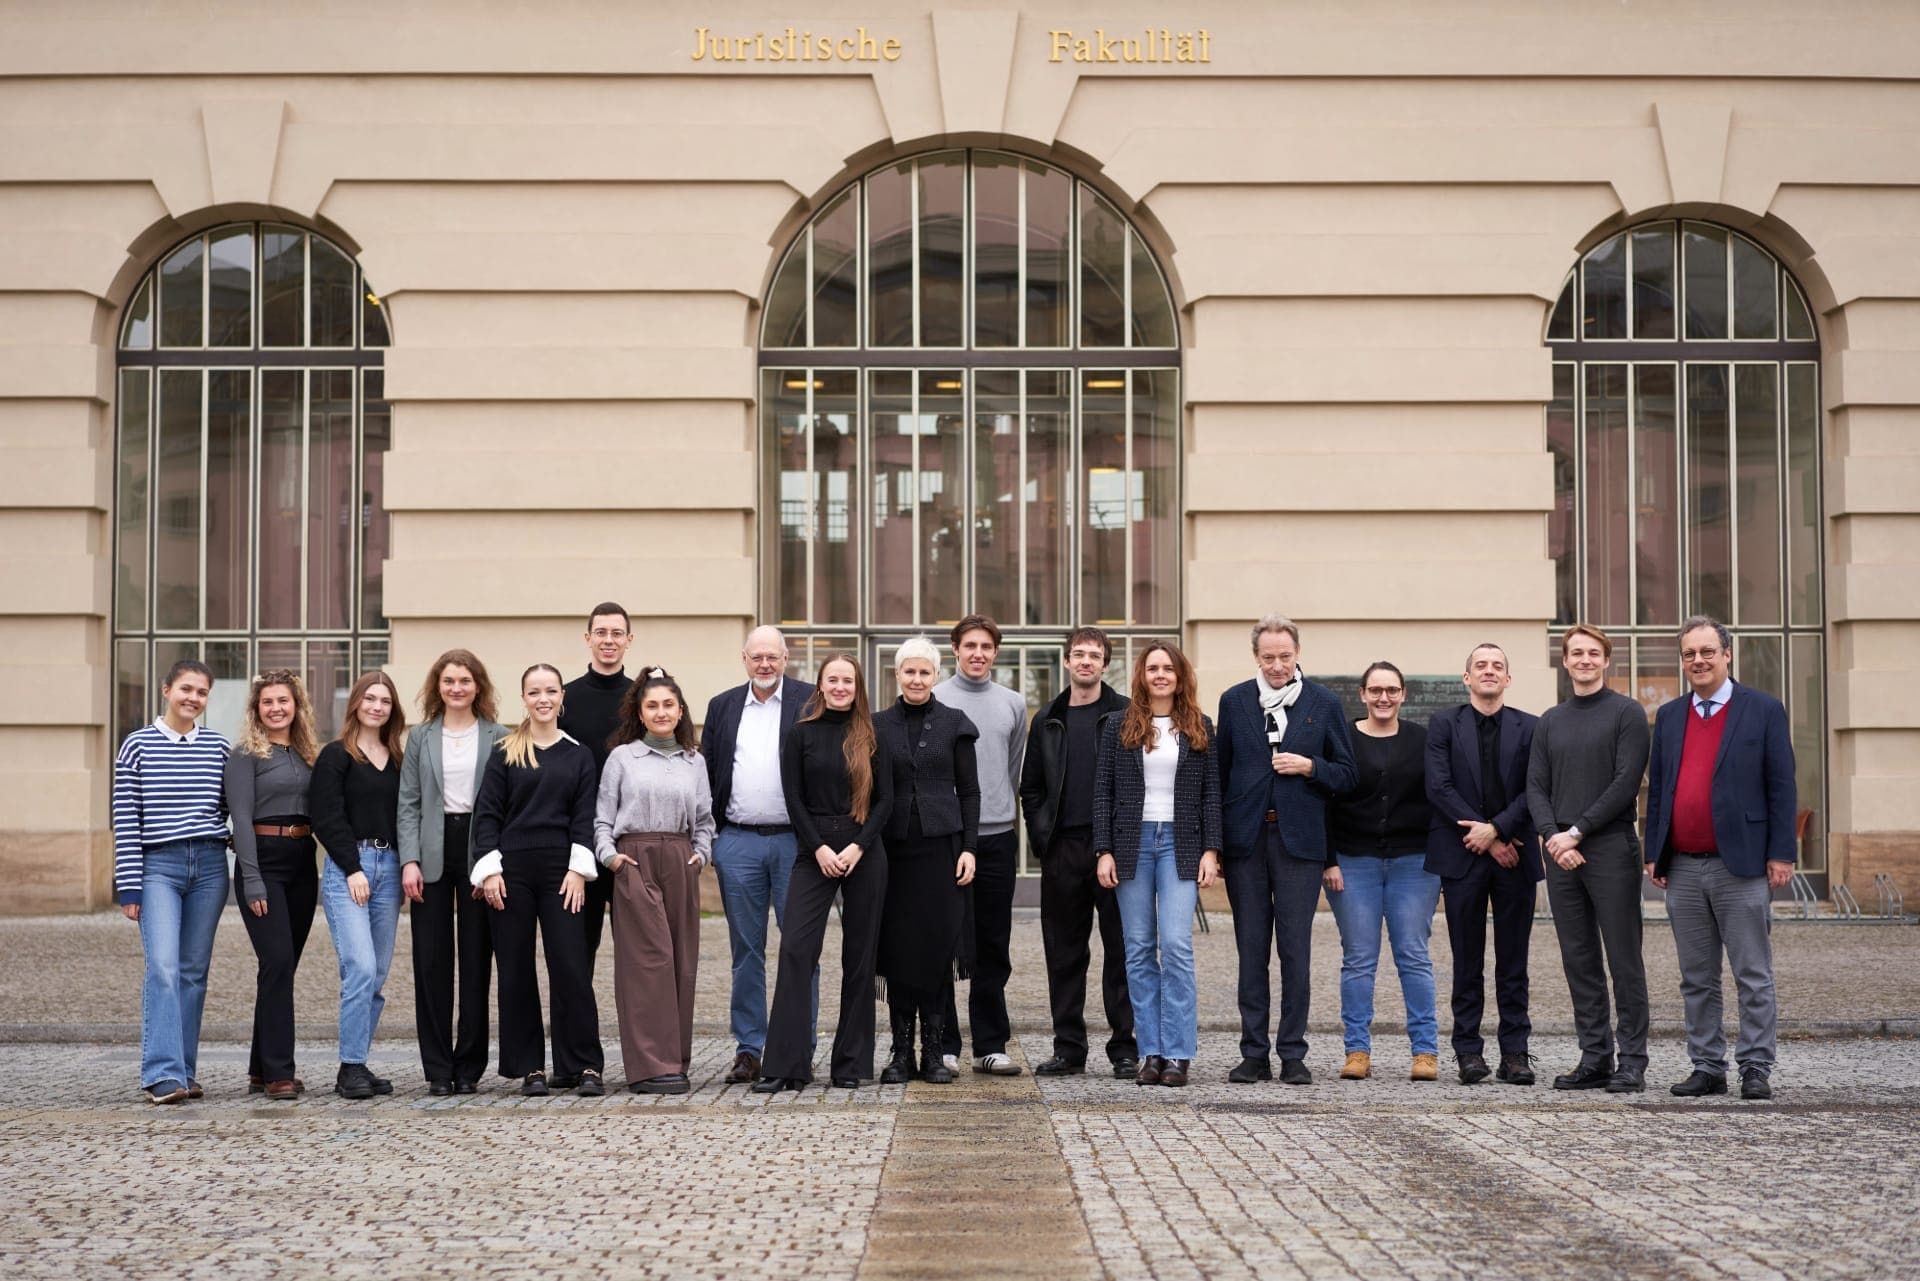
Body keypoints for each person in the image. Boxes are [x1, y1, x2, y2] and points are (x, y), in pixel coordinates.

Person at [1644, 617, 1797, 1101]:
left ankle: (1755, 1066)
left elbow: (1781, 786)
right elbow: (1660, 790)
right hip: (1684, 866)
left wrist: (1781, 852)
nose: (1698, 661)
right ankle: (1707, 1066)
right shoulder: (1669, 716)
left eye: (1707, 652)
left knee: (1752, 973)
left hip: (1743, 865)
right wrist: (1655, 853)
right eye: (1689, 654)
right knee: (1696, 976)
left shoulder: (1764, 710)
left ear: (1728, 654)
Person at [1215, 616, 1356, 1085]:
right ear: (1256, 656)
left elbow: (1347, 775)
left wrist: (1310, 766)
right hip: (1246, 844)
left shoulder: (1323, 702)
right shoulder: (1235, 701)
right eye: (1268, 657)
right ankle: (1254, 1052)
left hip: (1300, 844)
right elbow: (1219, 777)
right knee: (1251, 950)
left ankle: (1293, 1052)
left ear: (1298, 654)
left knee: (1295, 952)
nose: (1277, 665)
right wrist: (1214, 846)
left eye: (1284, 656)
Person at [754, 653, 893, 1093]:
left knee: (859, 958)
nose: (839, 687)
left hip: (863, 851)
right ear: (819, 684)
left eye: (847, 680)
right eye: (832, 679)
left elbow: (885, 801)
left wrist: (856, 846)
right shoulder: (800, 734)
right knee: (796, 948)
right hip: (812, 852)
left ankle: (850, 1065)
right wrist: (819, 848)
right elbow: (793, 799)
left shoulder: (873, 735)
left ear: (857, 687)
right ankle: (785, 1065)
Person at [1526, 623, 1653, 1094]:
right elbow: (1535, 786)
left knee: (1624, 959)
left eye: (1592, 653)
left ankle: (1632, 1061)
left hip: (1609, 849)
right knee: (1579, 960)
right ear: (1566, 661)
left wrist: (1577, 832)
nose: (1584, 660)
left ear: (1605, 660)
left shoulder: (1627, 713)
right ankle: (1595, 1056)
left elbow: (1625, 782)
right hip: (1560, 853)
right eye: (1575, 652)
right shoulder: (1551, 720)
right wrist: (1554, 838)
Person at [1093, 642, 1223, 1088]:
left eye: (1169, 668)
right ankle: (1150, 1051)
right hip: (1132, 843)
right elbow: (1102, 792)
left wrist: (1212, 850)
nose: (1161, 674)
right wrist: (1103, 849)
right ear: (1142, 676)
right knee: (1139, 948)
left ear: (1180, 675)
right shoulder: (1118, 725)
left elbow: (1211, 794)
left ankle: (1179, 1053)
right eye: (1153, 668)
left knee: (1177, 946)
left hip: (1180, 844)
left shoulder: (1200, 726)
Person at [472, 664, 606, 1097]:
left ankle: (583, 1064)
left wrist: (578, 870)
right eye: (535, 692)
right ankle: (529, 1067)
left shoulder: (578, 754)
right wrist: (489, 869)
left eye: (551, 691)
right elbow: (488, 814)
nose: (543, 699)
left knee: (570, 966)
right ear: (524, 698)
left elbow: (585, 817)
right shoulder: (505, 751)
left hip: (562, 871)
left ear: (561, 696)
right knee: (515, 969)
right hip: (512, 873)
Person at [700, 626, 818, 1085]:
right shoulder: (723, 706)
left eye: (773, 656)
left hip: (797, 844)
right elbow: (708, 773)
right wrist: (712, 839)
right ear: (743, 659)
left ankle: (797, 1047)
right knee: (745, 951)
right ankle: (749, 1047)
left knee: (800, 948)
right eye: (756, 657)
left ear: (786, 658)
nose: (764, 664)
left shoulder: (809, 701)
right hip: (739, 842)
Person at [1021, 625, 1137, 1079]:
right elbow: (1031, 788)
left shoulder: (1126, 714)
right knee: (1064, 953)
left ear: (1106, 664)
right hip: (1063, 850)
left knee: (1121, 951)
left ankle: (1124, 1047)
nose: (1086, 661)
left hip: (1113, 852)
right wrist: (1041, 838)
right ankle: (1069, 1048)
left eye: (1094, 655)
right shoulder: (1047, 718)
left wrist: (1122, 842)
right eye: (1078, 654)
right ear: (1066, 662)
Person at [113, 659, 231, 1105]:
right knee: (162, 967)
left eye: (201, 692)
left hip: (209, 866)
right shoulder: (136, 746)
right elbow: (126, 818)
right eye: (186, 689)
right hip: (157, 867)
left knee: (193, 973)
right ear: (166, 690)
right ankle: (161, 1073)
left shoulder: (218, 748)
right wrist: (129, 886)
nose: (193, 698)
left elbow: (228, 807)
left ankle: (183, 1070)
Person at [1425, 643, 1542, 1086]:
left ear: (1508, 679)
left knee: (1514, 961)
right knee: (1466, 960)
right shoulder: (1443, 724)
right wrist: (1487, 837)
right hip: (1463, 855)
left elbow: (1536, 787)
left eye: (1497, 666)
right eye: (1480, 665)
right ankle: (1468, 1052)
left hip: (1514, 854)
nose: (1489, 671)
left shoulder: (1531, 727)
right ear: (1467, 678)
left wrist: (1497, 830)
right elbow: (1439, 786)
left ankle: (1515, 1053)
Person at [595, 665, 715, 1095]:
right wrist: (612, 859)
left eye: (669, 704)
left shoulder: (694, 760)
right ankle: (649, 1065)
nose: (661, 712)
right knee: (648, 963)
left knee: (682, 963)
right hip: (636, 859)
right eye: (653, 706)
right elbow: (602, 819)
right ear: (640, 714)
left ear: (680, 711)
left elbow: (704, 818)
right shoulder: (622, 758)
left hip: (680, 860)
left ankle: (676, 1061)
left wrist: (700, 854)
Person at [398, 649, 507, 1096]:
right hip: (431, 849)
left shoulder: (499, 736)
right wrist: (409, 860)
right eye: (448, 681)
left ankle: (469, 1066)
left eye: (464, 680)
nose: (456, 688)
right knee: (432, 961)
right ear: (437, 687)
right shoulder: (421, 737)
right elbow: (408, 802)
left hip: (480, 849)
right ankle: (438, 1068)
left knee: (478, 959)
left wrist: (497, 861)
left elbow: (505, 803)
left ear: (477, 686)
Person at [1325, 661, 1441, 1082]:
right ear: (1362, 694)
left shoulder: (1422, 741)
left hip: (1415, 863)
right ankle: (1357, 1051)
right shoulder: (1343, 741)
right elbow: (1326, 803)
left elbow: (1439, 799)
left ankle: (1425, 1052)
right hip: (1353, 862)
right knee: (1358, 959)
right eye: (1376, 690)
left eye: (1391, 690)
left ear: (1403, 694)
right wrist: (1328, 860)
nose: (1384, 698)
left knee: (1413, 956)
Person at [874, 637, 979, 1085]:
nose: (917, 679)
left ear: (936, 676)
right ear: (897, 675)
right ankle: (901, 1051)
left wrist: (970, 847)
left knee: (936, 948)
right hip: (892, 852)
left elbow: (970, 792)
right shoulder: (876, 725)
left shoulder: (956, 723)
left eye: (925, 672)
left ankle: (935, 1051)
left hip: (942, 851)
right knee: (898, 949)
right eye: (909, 671)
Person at [931, 614, 1028, 1076]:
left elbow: (1010, 769)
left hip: (996, 839)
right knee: (947, 940)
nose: (978, 654)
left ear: (995, 652)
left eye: (986, 646)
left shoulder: (1012, 704)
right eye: (969, 645)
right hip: (946, 840)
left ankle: (990, 1042)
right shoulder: (935, 698)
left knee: (993, 944)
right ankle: (945, 1043)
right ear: (954, 649)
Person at [312, 671, 408, 1100]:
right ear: (356, 703)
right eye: (370, 698)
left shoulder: (398, 757)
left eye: (385, 701)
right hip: (348, 868)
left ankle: (357, 1064)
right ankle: (350, 1065)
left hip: (390, 867)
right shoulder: (336, 755)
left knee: (378, 973)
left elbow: (407, 815)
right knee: (361, 967)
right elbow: (326, 817)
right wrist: (352, 868)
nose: (377, 706)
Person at [226, 669, 321, 1101]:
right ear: (256, 708)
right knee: (278, 960)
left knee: (280, 968)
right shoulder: (246, 754)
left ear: (296, 706)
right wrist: (252, 881)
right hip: (263, 863)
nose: (276, 708)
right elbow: (241, 819)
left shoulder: (307, 754)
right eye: (267, 702)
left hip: (303, 864)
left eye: (283, 701)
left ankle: (259, 1067)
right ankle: (281, 1072)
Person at [557, 601, 635, 977]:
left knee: (636, 950)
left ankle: (639, 1036)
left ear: (629, 640)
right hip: (580, 842)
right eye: (601, 633)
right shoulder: (564, 700)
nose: (609, 640)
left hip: (631, 842)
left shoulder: (643, 699)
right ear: (588, 638)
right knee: (577, 949)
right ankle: (574, 1035)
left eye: (616, 633)